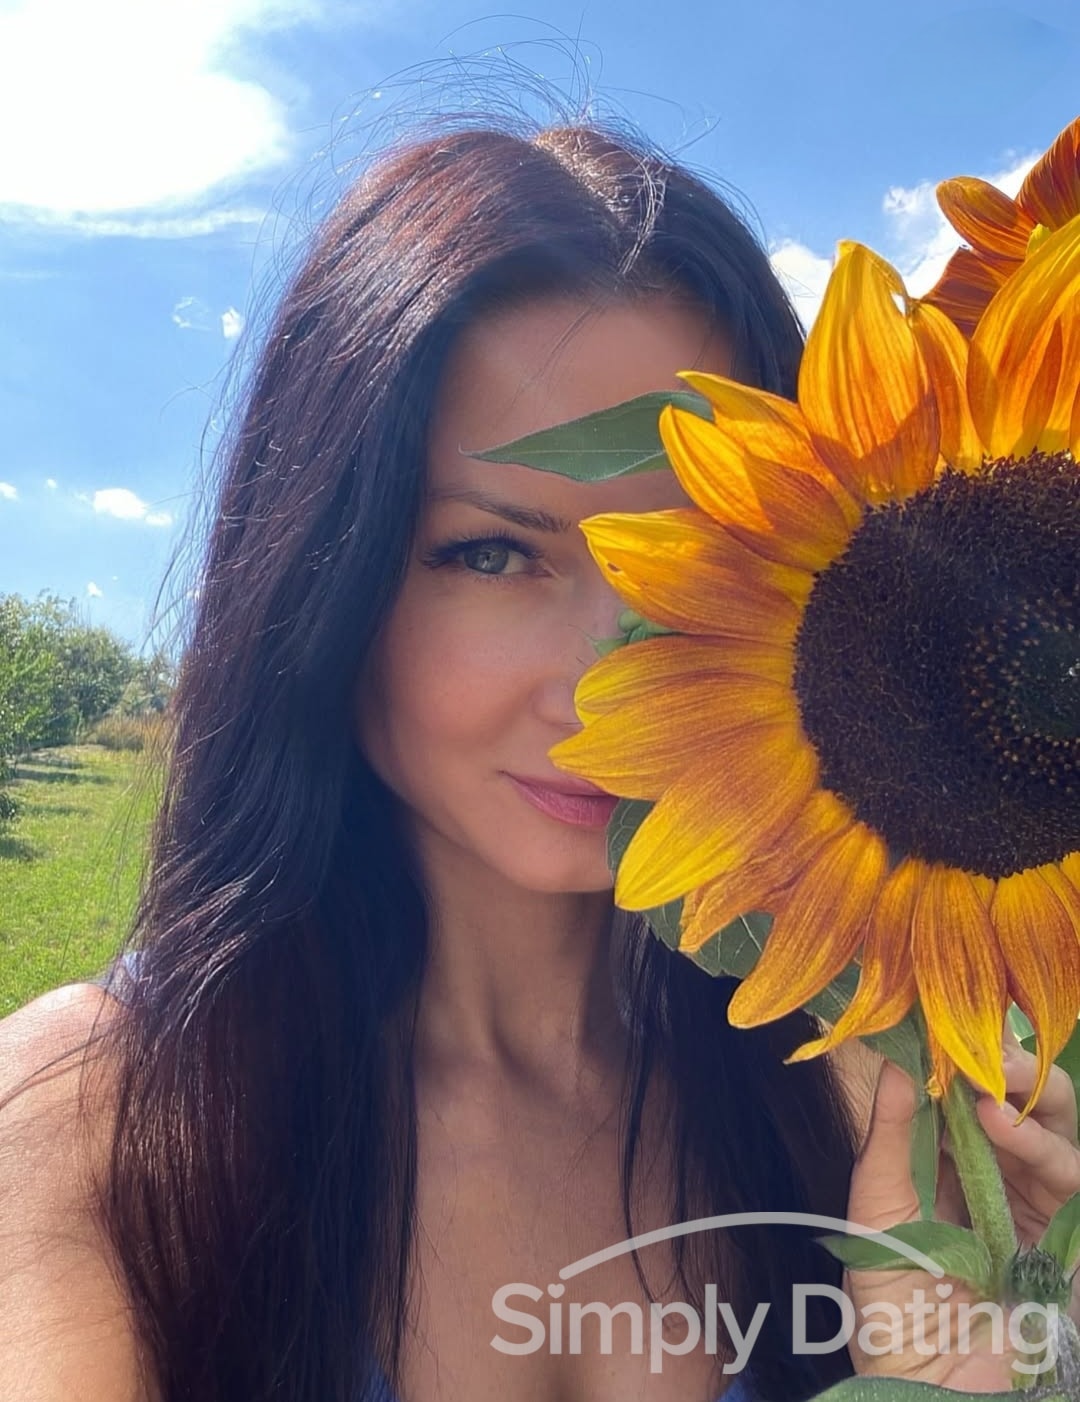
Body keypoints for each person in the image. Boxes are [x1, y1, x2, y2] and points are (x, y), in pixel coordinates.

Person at [1, 119, 1077, 1402]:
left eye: (692, 558)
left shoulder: (868, 1112)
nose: (602, 691)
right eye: (494, 554)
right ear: (327, 575)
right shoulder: (92, 1125)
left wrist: (998, 1370)